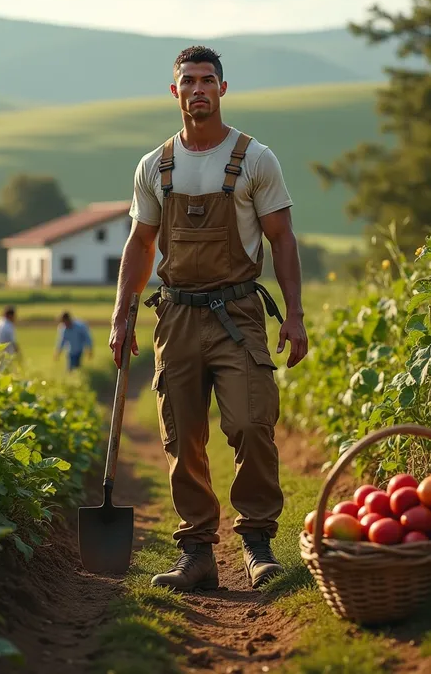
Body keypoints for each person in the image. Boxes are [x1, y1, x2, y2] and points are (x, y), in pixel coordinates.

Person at [109, 46, 308, 592]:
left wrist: (294, 314)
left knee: (251, 422)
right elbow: (140, 241)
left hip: (238, 312)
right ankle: (196, 552)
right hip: (175, 315)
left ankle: (258, 544)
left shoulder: (255, 158)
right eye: (189, 81)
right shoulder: (154, 166)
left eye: (208, 81)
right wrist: (122, 312)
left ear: (223, 89)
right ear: (175, 92)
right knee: (183, 435)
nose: (199, 89)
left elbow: (282, 238)